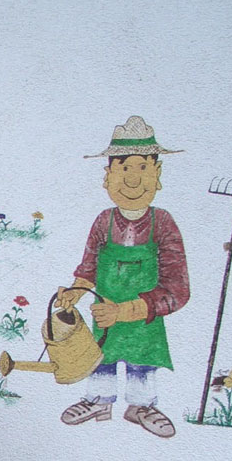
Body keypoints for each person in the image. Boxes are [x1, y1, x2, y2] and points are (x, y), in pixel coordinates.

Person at [56, 116, 190, 438]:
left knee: (141, 363)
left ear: (156, 174)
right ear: (108, 176)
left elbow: (177, 289)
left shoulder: (164, 224)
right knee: (100, 356)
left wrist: (128, 310)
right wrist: (75, 292)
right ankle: (98, 400)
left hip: (144, 319)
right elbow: (87, 270)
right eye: (123, 168)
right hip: (104, 315)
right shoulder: (103, 222)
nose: (132, 178)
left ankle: (141, 405)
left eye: (142, 167)